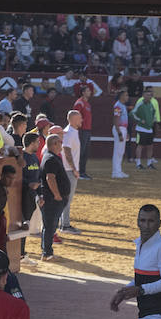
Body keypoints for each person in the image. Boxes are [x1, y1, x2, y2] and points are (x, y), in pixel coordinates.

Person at [39, 133, 70, 261]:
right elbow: (50, 178)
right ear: (54, 144)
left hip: (52, 198)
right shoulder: (51, 159)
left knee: (49, 225)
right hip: (52, 199)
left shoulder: (50, 157)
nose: (62, 144)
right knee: (50, 225)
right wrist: (57, 195)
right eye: (60, 142)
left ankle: (46, 251)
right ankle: (47, 253)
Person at [59, 109, 83, 234]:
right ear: (73, 119)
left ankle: (63, 223)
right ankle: (65, 225)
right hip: (68, 170)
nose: (81, 120)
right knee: (67, 198)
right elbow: (67, 151)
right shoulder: (69, 132)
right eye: (79, 118)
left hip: (68, 169)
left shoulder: (71, 131)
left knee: (66, 198)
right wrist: (74, 168)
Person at [132, 85, 160, 170]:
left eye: (150, 95)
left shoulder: (151, 104)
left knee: (150, 146)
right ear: (144, 96)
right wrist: (140, 120)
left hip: (149, 129)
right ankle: (138, 163)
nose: (149, 96)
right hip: (141, 128)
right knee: (140, 145)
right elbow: (132, 113)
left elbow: (154, 114)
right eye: (147, 95)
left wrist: (154, 120)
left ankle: (149, 163)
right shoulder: (140, 103)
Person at [72, 83, 94, 178]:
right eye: (88, 91)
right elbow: (75, 116)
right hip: (81, 130)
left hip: (87, 130)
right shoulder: (79, 103)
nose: (90, 92)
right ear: (83, 92)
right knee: (80, 151)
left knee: (85, 152)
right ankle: (78, 172)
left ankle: (82, 172)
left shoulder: (87, 103)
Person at [110, 88, 130, 178]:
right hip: (120, 129)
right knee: (118, 151)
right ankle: (115, 172)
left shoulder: (122, 105)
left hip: (123, 128)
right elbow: (116, 119)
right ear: (121, 96)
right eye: (126, 95)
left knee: (121, 151)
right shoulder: (118, 106)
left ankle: (119, 170)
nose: (127, 97)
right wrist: (119, 132)